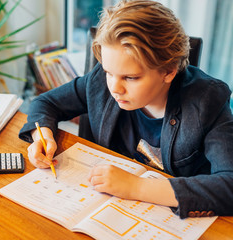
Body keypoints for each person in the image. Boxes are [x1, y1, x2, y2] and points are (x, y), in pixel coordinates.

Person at [19, 0, 233, 219]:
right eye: (108, 72)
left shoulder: (208, 101)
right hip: (105, 208)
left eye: (130, 78)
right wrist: (42, 137)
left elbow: (229, 185)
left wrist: (136, 188)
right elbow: (45, 103)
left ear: (168, 71)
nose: (114, 88)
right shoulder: (101, 82)